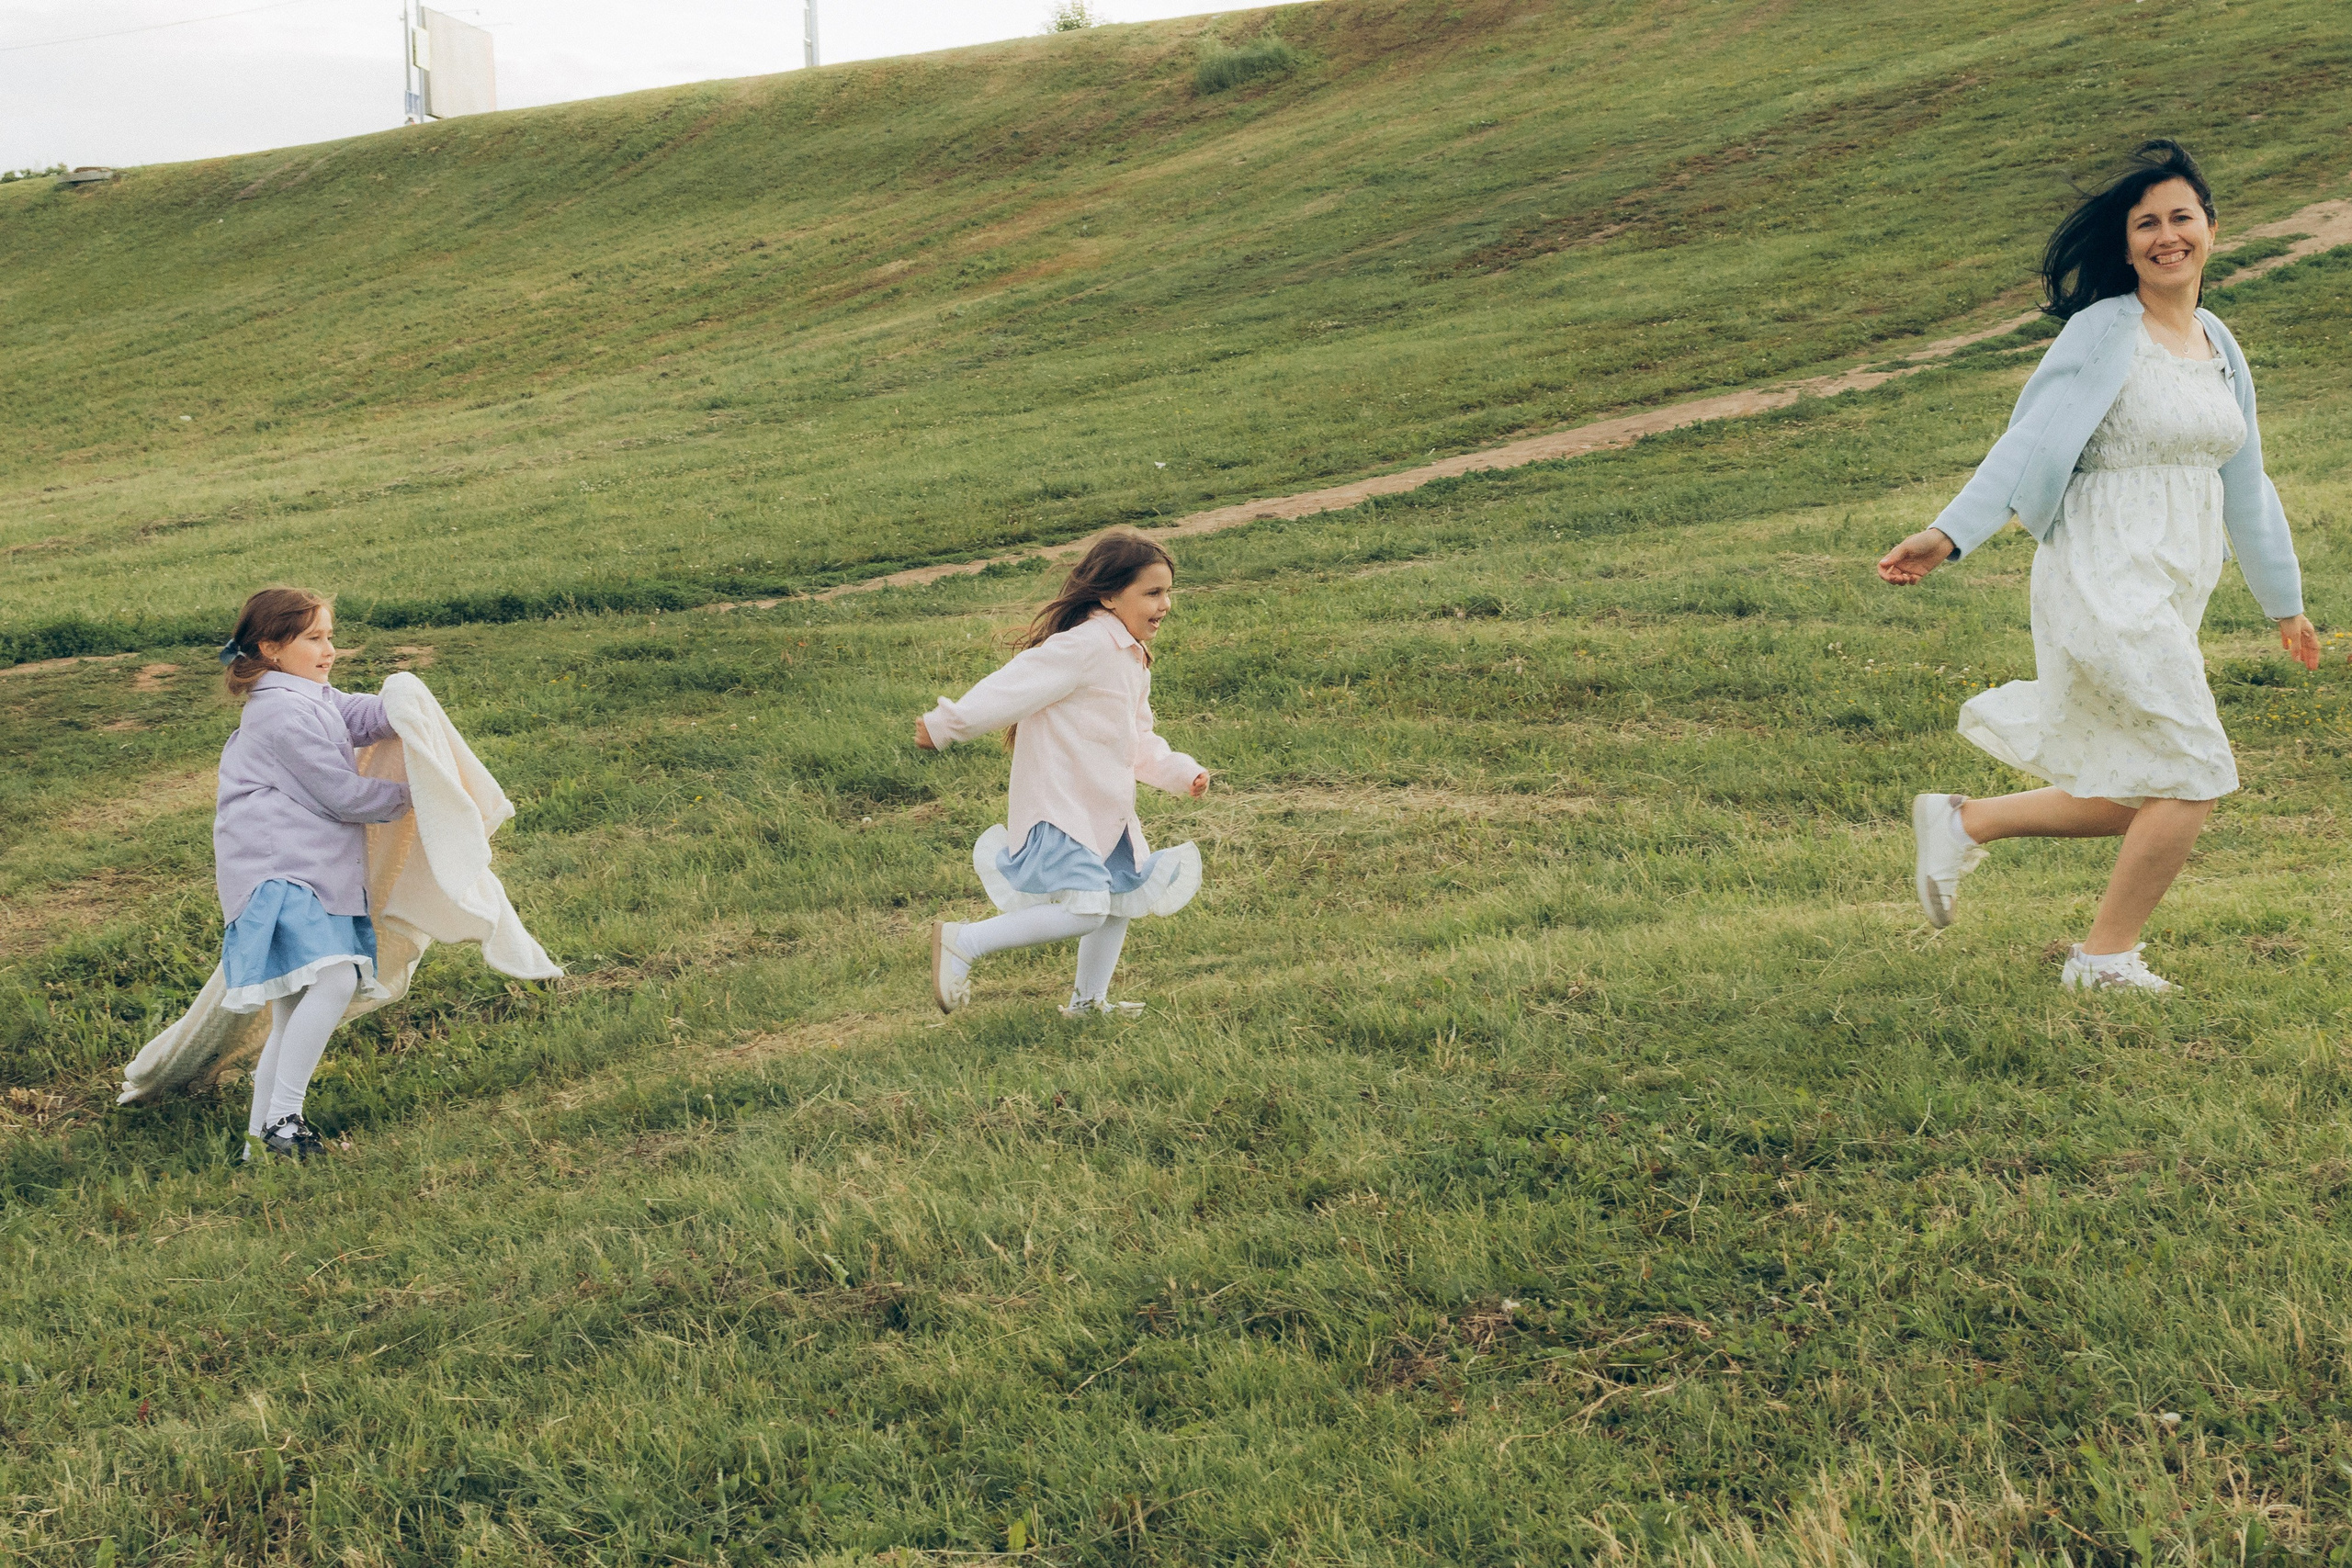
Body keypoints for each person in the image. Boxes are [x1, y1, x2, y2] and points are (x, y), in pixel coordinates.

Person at [1878, 140, 2319, 992]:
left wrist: (2284, 603)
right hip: (2102, 569)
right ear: (2126, 244)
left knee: (2146, 779)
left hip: (2172, 579)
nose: (2166, 236)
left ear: (2212, 228)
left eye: (2181, 217)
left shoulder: (2218, 342)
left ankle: (1964, 822)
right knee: (2193, 767)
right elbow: (2029, 442)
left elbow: (2246, 480)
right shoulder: (2104, 329)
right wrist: (1950, 534)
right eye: (2146, 223)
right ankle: (2105, 958)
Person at [915, 531, 1208, 1016]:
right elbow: (1011, 688)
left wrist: (1182, 772)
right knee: (1086, 909)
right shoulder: (1085, 645)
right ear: (1109, 596)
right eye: (1153, 593)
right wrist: (948, 725)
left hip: (1105, 809)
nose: (1166, 604)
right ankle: (964, 942)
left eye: (1168, 592)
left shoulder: (1132, 658)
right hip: (1062, 806)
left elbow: (1138, 739)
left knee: (1116, 900)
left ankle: (1088, 1003)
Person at [210, 588, 412, 1157]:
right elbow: (342, 794)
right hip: (279, 869)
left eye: (330, 636)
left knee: (294, 1008)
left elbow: (360, 716)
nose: (329, 650)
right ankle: (284, 1120)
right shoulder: (278, 712)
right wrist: (418, 794)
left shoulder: (309, 696)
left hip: (308, 868)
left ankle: (258, 1146)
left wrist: (408, 703)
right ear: (271, 648)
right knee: (336, 979)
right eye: (314, 639)